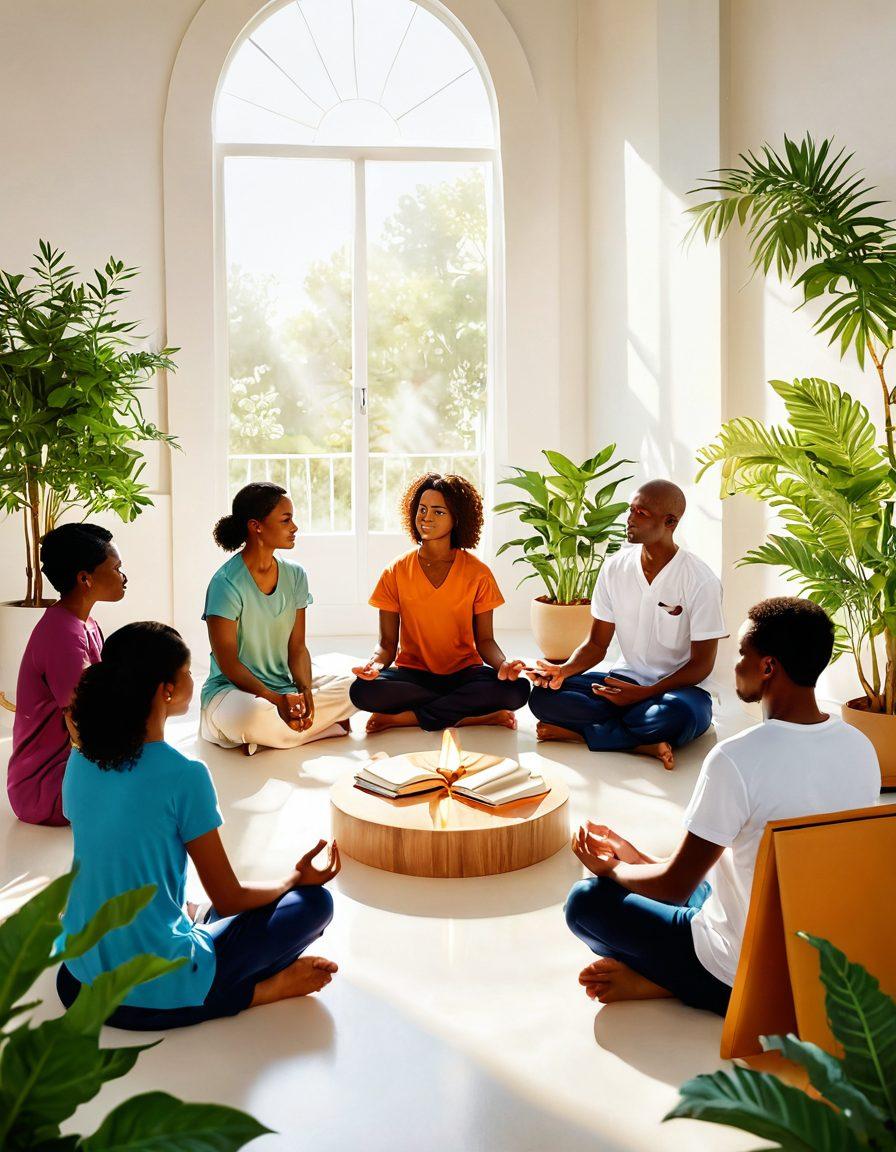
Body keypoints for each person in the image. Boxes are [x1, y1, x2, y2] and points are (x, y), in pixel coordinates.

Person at [563, 597, 880, 1015]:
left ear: (768, 667)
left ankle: (670, 981)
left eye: (742, 654)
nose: (735, 664)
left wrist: (615, 870)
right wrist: (640, 858)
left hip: (745, 974)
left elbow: (675, 887)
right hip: (824, 963)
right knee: (714, 874)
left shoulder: (736, 758)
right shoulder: (860, 746)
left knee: (585, 901)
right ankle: (673, 967)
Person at [56, 621, 340, 1030]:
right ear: (165, 690)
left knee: (187, 904)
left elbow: (113, 852)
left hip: (78, 978)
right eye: (188, 672)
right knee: (314, 905)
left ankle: (190, 928)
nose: (193, 679)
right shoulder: (184, 774)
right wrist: (295, 878)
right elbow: (228, 895)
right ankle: (257, 992)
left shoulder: (81, 759)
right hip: (150, 990)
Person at [528, 480, 727, 769]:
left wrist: (646, 694)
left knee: (680, 717)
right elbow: (596, 645)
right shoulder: (615, 568)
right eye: (630, 510)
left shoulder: (700, 580)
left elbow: (701, 665)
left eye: (641, 513)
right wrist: (563, 670)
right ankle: (639, 741)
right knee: (543, 698)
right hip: (624, 681)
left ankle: (580, 734)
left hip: (677, 691)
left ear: (670, 522)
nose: (630, 519)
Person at [350, 473, 530, 734]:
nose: (426, 517)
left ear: (457, 518)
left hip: (464, 674)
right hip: (413, 675)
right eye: (422, 510)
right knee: (361, 690)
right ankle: (470, 716)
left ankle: (406, 718)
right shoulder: (396, 571)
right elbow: (387, 644)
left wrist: (503, 665)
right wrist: (374, 665)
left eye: (438, 512)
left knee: (517, 690)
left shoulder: (478, 572)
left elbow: (486, 641)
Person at [200, 482, 355, 755]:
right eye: (286, 520)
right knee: (253, 716)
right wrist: (275, 699)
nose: (294, 527)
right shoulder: (225, 583)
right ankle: (326, 728)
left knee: (359, 687)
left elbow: (297, 647)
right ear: (256, 526)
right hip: (233, 692)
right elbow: (229, 663)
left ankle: (281, 732)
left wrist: (305, 691)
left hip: (284, 687)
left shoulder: (295, 575)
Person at [7, 524, 126, 826]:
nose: (124, 577)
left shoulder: (84, 624)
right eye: (117, 568)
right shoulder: (63, 634)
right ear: (85, 579)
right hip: (46, 788)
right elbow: (81, 724)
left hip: (69, 771)